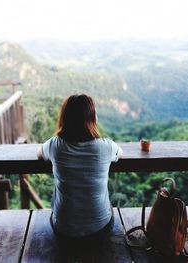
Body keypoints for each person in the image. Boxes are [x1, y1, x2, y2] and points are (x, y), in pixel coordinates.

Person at [37, 94, 123, 246]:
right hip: (99, 231)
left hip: (63, 231)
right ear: (92, 118)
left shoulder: (55, 145)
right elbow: (120, 153)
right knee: (108, 207)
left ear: (64, 118)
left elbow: (39, 155)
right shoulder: (106, 146)